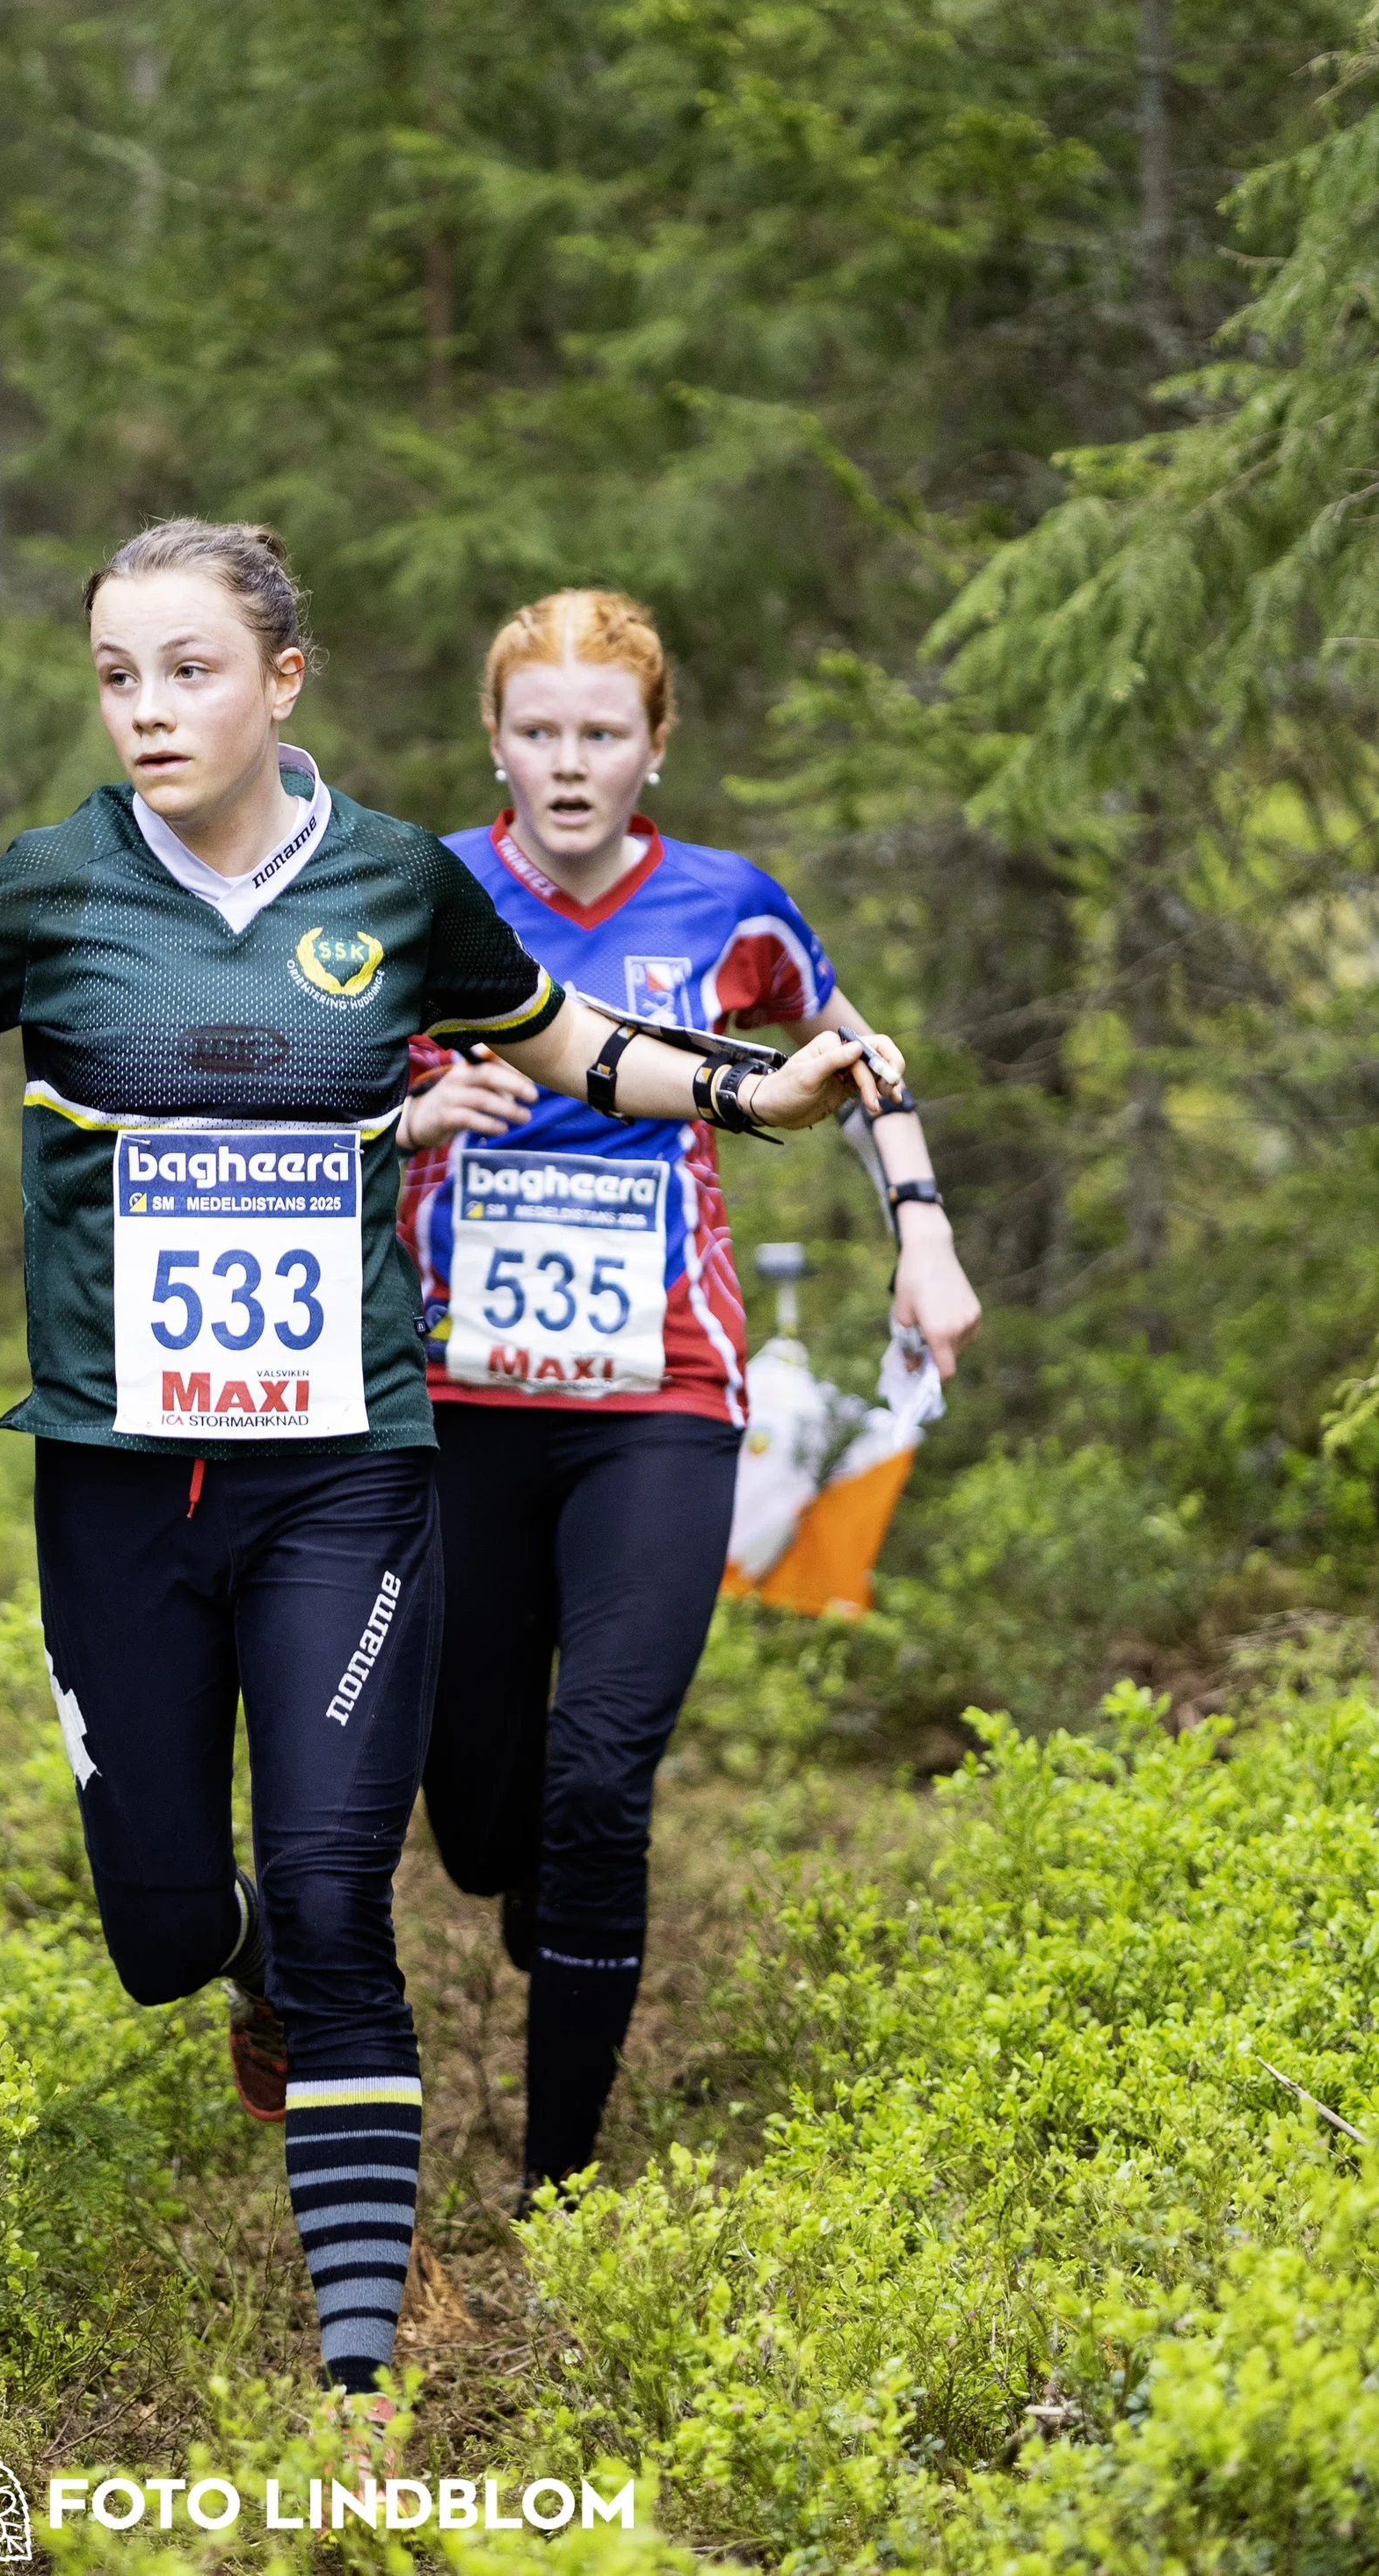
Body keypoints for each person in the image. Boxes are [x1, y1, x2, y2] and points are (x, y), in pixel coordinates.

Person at [0, 525, 895, 2405]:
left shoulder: (386, 882)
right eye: (116, 675)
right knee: (167, 1928)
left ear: (281, 680)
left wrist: (758, 1092)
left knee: (341, 1890)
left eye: (186, 670)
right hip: (118, 1483)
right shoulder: (54, 885)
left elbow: (567, 1038)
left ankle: (359, 2380)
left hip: (346, 1470)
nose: (146, 709)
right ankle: (245, 1964)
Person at [396, 587, 981, 2201]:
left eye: (601, 734)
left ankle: (562, 2189)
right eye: (537, 732)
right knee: (479, 1821)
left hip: (664, 1391)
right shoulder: (423, 892)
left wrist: (920, 1241)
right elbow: (329, 1081)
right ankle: (530, 1884)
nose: (567, 765)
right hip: (458, 1395)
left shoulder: (732, 908)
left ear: (655, 745)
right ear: (494, 742)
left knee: (602, 1774)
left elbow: (868, 1066)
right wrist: (423, 1102)